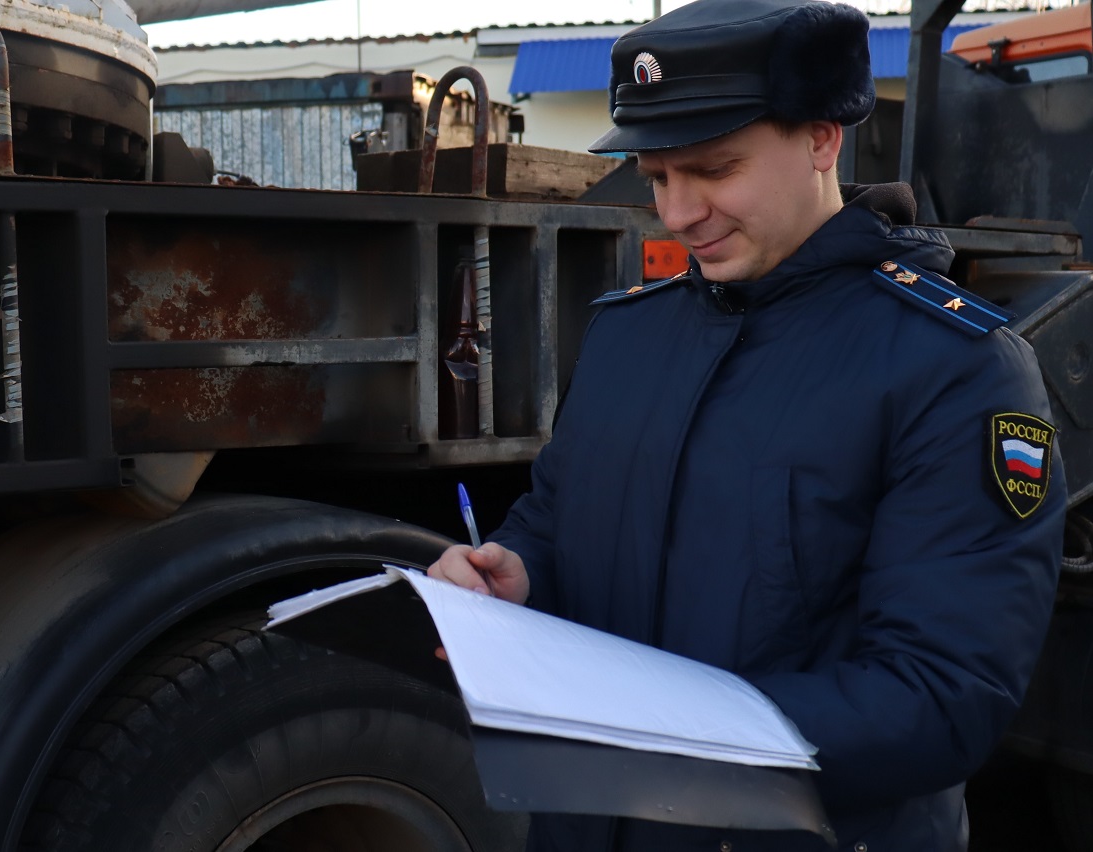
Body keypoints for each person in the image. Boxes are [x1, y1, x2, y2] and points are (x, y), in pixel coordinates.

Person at [427, 0, 1067, 849]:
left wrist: (661, 728)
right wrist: (516, 577)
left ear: (821, 140)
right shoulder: (627, 335)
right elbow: (554, 523)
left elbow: (941, 696)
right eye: (657, 177)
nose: (677, 213)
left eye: (713, 170)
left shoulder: (953, 369)